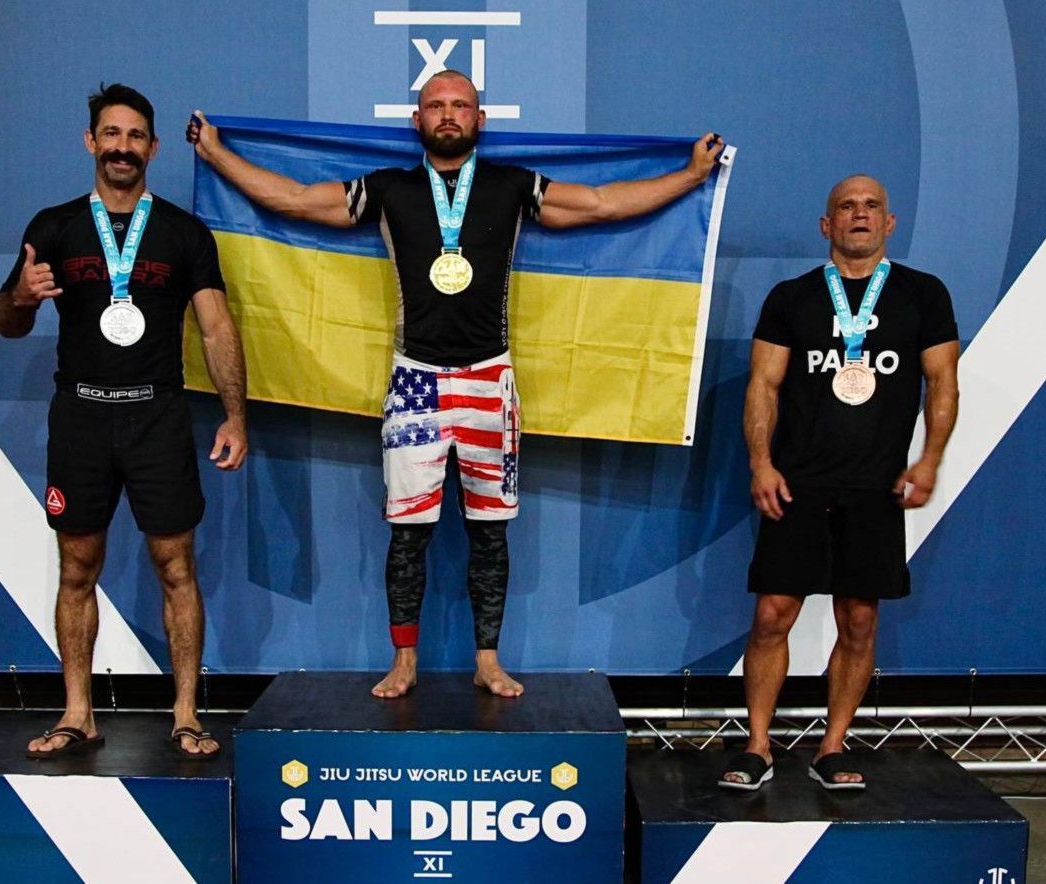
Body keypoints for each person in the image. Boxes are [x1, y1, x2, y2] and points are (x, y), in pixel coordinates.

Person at [187, 69, 722, 698]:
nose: (448, 114)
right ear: (416, 120)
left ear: (479, 119)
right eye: (435, 105)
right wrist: (216, 155)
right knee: (407, 532)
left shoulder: (512, 186)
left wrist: (691, 176)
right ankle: (404, 660)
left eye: (460, 105)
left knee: (489, 532)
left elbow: (602, 203)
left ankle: (488, 660)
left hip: (491, 380)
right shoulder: (389, 189)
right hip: (414, 381)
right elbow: (299, 200)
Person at [0, 83, 248, 759]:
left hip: (157, 416)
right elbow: (9, 321)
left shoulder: (183, 234)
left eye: (135, 136)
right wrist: (20, 296)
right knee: (77, 567)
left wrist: (234, 415)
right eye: (111, 134)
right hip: (81, 417)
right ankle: (77, 713)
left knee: (176, 565)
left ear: (153, 148)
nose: (123, 147)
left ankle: (186, 714)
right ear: (90, 142)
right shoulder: (53, 227)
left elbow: (216, 327)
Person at [721, 175, 959, 791]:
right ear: (826, 225)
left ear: (889, 222)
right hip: (797, 481)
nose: (859, 214)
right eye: (846, 207)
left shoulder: (923, 295)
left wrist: (930, 459)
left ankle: (832, 746)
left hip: (875, 486)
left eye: (871, 206)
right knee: (772, 614)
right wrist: (760, 463)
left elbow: (943, 382)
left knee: (858, 619)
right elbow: (763, 386)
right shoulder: (791, 298)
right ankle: (757, 745)